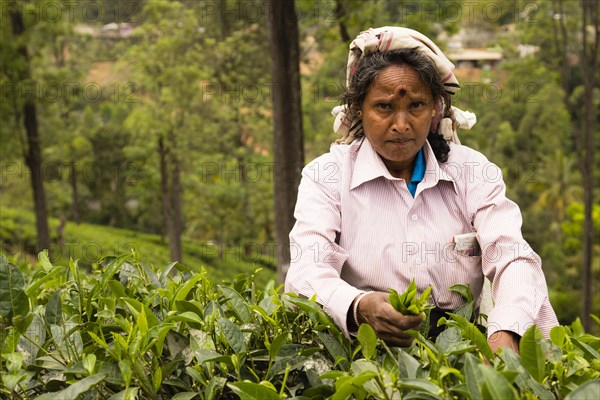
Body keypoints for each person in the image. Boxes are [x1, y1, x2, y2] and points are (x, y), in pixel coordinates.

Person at [284, 27, 558, 352]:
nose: (401, 124)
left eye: (415, 105)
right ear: (359, 108)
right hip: (363, 354)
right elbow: (306, 270)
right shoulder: (326, 176)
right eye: (384, 107)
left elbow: (513, 256)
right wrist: (360, 306)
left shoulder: (472, 172)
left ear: (434, 110)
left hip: (459, 353)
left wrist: (507, 330)